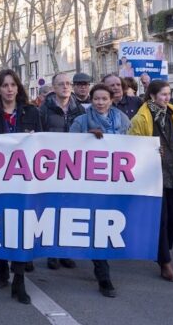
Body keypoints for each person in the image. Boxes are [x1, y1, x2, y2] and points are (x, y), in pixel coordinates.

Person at [0, 69, 40, 304]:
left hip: (24, 179)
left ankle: (19, 280)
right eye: (5, 85)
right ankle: (2, 265)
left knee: (21, 226)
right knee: (1, 223)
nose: (9, 89)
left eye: (13, 85)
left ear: (18, 88)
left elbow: (43, 143)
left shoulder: (31, 111)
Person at [69, 83, 130, 298]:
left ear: (111, 100)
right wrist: (86, 138)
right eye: (96, 99)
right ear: (91, 100)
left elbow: (133, 144)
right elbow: (68, 148)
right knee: (97, 225)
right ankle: (103, 276)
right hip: (89, 184)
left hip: (114, 182)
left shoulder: (122, 119)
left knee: (108, 223)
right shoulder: (81, 121)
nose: (100, 103)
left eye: (104, 99)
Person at [130, 80, 173, 282]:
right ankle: (165, 261)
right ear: (153, 96)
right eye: (163, 94)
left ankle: (162, 247)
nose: (167, 97)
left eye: (168, 94)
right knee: (162, 220)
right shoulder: (141, 117)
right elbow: (134, 145)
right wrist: (149, 151)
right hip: (155, 176)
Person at [40, 72, 85, 270]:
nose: (66, 87)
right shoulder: (44, 110)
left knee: (69, 210)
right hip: (51, 168)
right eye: (61, 84)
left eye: (68, 83)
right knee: (52, 210)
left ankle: (65, 251)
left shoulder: (80, 109)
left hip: (73, 168)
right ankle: (51, 252)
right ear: (54, 87)